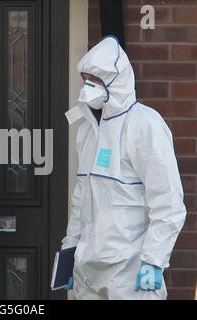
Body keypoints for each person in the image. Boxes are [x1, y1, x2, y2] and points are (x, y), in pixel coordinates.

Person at [62, 35, 187, 300]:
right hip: (88, 272)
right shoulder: (86, 132)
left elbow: (168, 202)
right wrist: (69, 253)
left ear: (115, 83)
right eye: (86, 80)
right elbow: (80, 202)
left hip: (130, 273)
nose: (87, 87)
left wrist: (154, 260)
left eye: (95, 81)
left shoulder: (145, 125)